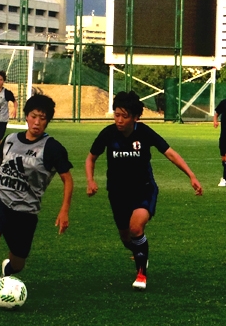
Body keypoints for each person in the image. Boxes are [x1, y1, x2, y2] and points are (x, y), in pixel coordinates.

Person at [0, 94, 73, 307]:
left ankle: (7, 271)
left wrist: (64, 210)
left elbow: (67, 179)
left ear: (47, 121)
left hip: (26, 210)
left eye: (42, 118)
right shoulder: (10, 139)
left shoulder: (52, 148)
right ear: (26, 116)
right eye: (34, 116)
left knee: (18, 263)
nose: (37, 122)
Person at [86, 91, 202, 290]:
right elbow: (91, 158)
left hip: (144, 189)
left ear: (135, 117)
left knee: (136, 228)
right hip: (117, 192)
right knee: (126, 237)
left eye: (124, 116)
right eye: (116, 115)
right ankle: (141, 254)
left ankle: (141, 274)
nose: (119, 120)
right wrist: (90, 180)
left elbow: (170, 153)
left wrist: (191, 175)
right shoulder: (108, 133)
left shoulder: (145, 133)